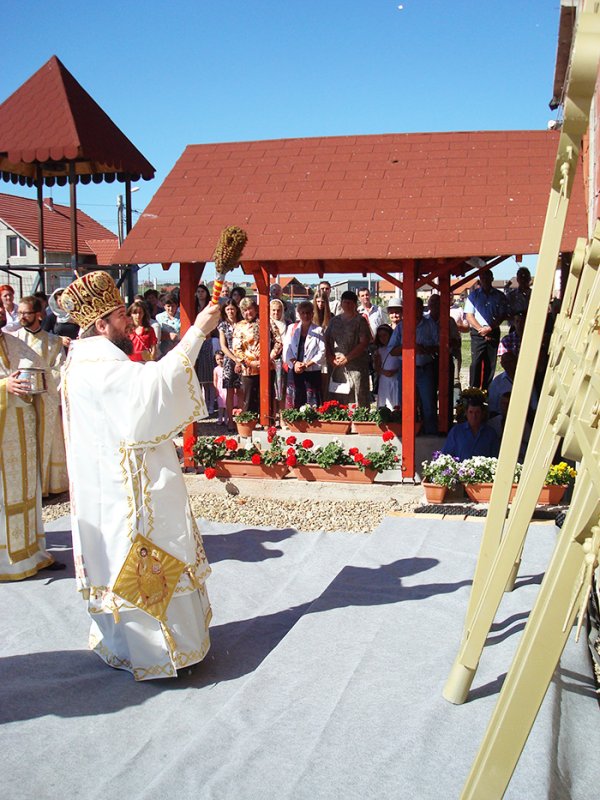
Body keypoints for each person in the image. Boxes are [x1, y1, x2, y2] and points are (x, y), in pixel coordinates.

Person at [61, 270, 219, 680]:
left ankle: (126, 645)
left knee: (118, 561)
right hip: (129, 491)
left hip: (106, 486)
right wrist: (198, 332)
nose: (130, 321)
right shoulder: (100, 367)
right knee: (146, 556)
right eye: (120, 315)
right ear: (101, 324)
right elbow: (153, 391)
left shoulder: (81, 360)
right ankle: (161, 653)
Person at [0, 305, 57, 580]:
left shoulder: (12, 342)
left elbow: (44, 374)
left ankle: (32, 552)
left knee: (26, 490)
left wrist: (40, 383)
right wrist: (3, 388)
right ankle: (6, 562)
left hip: (23, 430)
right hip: (2, 437)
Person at [15, 296, 69, 496]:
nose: (21, 316)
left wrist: (44, 382)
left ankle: (48, 486)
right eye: (19, 312)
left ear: (38, 314)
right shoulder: (13, 339)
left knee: (47, 440)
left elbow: (61, 368)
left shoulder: (53, 341)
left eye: (26, 313)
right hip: (20, 399)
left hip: (46, 399)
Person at [389, 297, 439, 434]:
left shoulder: (430, 325)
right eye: (411, 308)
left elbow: (440, 346)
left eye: (417, 308)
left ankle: (430, 435)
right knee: (405, 404)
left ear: (421, 309)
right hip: (405, 369)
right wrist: (408, 346)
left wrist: (425, 349)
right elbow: (392, 350)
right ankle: (406, 433)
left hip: (425, 369)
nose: (414, 311)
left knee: (428, 405)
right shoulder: (400, 327)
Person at [232, 297, 282, 414]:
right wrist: (249, 362)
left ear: (255, 308)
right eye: (244, 310)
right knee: (249, 400)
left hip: (267, 366)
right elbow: (236, 348)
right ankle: (250, 425)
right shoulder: (239, 326)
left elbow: (278, 341)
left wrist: (269, 358)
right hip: (249, 369)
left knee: (267, 397)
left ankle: (268, 423)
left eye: (250, 309)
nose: (248, 312)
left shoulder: (267, 321)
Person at [324, 290, 371, 406]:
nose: (347, 305)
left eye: (350, 303)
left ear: (355, 304)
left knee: (357, 398)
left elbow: (364, 342)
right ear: (341, 303)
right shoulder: (334, 321)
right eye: (345, 302)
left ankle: (358, 423)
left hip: (355, 366)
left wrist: (347, 358)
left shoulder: (360, 321)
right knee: (337, 398)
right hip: (336, 366)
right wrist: (330, 358)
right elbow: (326, 340)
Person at [464, 271, 508, 390]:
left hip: (492, 330)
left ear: (492, 278)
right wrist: (481, 329)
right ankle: (473, 390)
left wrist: (490, 328)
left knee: (491, 363)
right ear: (479, 279)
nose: (485, 280)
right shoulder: (473, 296)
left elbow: (502, 314)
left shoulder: (499, 296)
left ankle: (487, 391)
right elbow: (469, 315)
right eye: (483, 277)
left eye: (488, 277)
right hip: (477, 333)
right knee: (475, 362)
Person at [283, 300, 325, 408]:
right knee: (295, 400)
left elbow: (322, 352)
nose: (305, 315)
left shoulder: (319, 330)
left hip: (311, 371)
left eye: (308, 313)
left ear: (312, 314)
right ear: (299, 313)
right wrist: (295, 363)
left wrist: (307, 365)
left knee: (311, 402)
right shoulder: (292, 328)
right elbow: (287, 349)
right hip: (295, 370)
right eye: (303, 313)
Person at [217, 300, 243, 430]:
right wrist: (234, 358)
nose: (230, 312)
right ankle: (230, 421)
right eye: (228, 309)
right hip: (229, 360)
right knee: (230, 391)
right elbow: (223, 346)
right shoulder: (223, 326)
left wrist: (241, 359)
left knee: (241, 390)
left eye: (232, 309)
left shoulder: (242, 324)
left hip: (243, 358)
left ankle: (243, 419)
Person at [194, 284, 217, 413]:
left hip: (208, 341)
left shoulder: (210, 306)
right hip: (196, 341)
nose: (200, 293)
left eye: (202, 291)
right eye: (198, 291)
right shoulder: (193, 307)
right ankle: (202, 405)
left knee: (209, 376)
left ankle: (211, 405)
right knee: (199, 377)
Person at [270, 298, 289, 421]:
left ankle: (282, 418)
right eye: (273, 311)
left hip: (282, 360)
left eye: (278, 311)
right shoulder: (265, 323)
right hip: (269, 360)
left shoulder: (287, 324)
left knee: (281, 390)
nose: (276, 313)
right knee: (271, 390)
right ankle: (272, 417)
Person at [374, 324, 400, 409]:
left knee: (396, 400)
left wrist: (395, 371)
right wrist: (384, 372)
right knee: (385, 403)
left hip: (396, 379)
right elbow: (377, 367)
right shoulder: (379, 351)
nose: (383, 338)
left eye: (385, 335)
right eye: (380, 336)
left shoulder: (397, 349)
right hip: (384, 380)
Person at [155, 293, 181, 357]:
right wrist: (168, 335)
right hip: (165, 349)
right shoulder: (159, 317)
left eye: (173, 306)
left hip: (179, 348)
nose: (171, 308)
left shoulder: (182, 316)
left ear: (177, 305)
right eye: (168, 306)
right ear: (164, 306)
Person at [213, 350, 227, 425]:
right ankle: (220, 418)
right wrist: (216, 389)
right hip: (220, 388)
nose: (220, 361)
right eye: (217, 359)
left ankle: (226, 418)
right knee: (220, 405)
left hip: (226, 387)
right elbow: (215, 380)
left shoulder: (227, 368)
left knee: (227, 405)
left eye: (221, 358)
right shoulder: (216, 369)